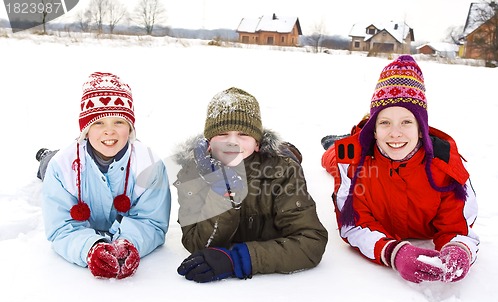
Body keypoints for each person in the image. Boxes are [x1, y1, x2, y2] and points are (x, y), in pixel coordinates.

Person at [321, 55, 479, 284]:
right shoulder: (352, 164)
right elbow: (353, 224)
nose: (395, 132)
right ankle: (345, 138)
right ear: (374, 130)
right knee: (332, 157)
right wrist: (393, 252)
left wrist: (458, 249)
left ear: (422, 128)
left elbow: (458, 227)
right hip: (363, 151)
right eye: (385, 122)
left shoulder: (446, 168)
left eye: (406, 122)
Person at [174, 87, 328, 283]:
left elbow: (310, 242)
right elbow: (196, 242)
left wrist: (238, 259)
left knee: (288, 157)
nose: (232, 142)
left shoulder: (284, 172)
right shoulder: (191, 174)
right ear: (209, 142)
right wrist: (222, 196)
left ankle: (289, 151)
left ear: (257, 143)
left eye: (243, 134)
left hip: (276, 164)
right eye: (222, 133)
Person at [37, 72, 171, 279]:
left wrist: (130, 242)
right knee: (48, 163)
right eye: (98, 123)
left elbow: (151, 221)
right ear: (86, 130)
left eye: (119, 122)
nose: (109, 131)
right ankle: (44, 155)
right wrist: (89, 247)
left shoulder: (149, 165)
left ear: (130, 128)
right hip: (68, 162)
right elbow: (60, 226)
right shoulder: (61, 166)